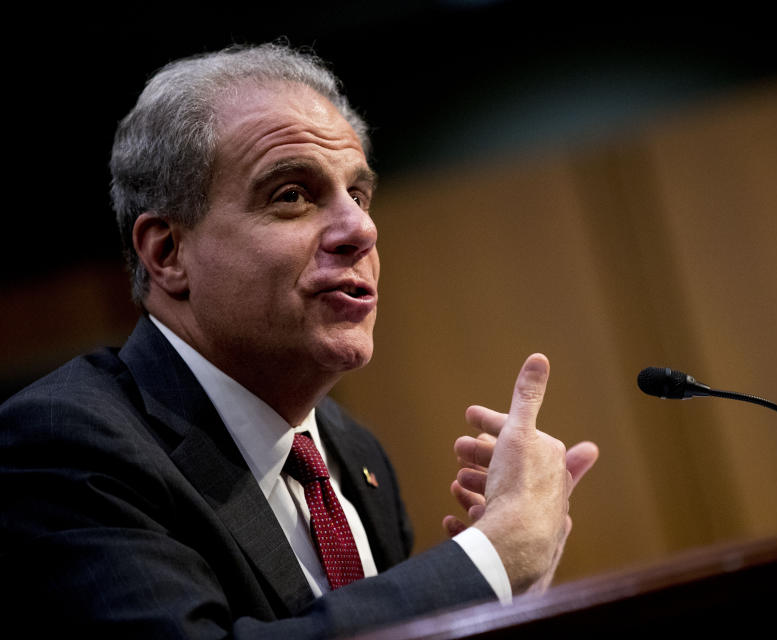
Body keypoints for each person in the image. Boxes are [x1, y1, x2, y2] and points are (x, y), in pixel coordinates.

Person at [0, 43, 598, 637]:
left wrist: (501, 602)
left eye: (358, 195)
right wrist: (492, 559)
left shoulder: (355, 453)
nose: (361, 229)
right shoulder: (64, 443)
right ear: (168, 253)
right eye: (292, 195)